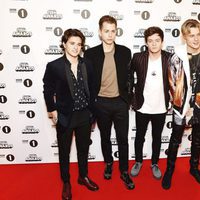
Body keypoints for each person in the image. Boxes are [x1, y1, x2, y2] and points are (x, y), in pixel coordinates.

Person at [43, 29, 99, 200]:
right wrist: (52, 110)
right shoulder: (54, 66)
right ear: (64, 44)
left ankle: (83, 176)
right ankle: (66, 182)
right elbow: (47, 90)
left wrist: (92, 111)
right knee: (64, 151)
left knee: (83, 149)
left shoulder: (87, 64)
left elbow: (93, 87)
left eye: (79, 44)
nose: (75, 47)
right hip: (65, 115)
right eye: (72, 43)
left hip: (85, 114)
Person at [84, 15, 134, 190]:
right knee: (105, 138)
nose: (110, 34)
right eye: (106, 31)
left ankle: (124, 171)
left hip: (120, 103)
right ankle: (108, 163)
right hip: (101, 103)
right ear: (100, 32)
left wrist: (128, 98)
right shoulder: (90, 54)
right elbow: (87, 81)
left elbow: (130, 78)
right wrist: (93, 101)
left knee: (123, 139)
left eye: (113, 31)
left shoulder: (125, 51)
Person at [129, 26, 176, 180]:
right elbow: (129, 77)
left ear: (162, 41)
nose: (154, 44)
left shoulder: (170, 58)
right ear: (146, 43)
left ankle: (154, 162)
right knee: (140, 136)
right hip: (142, 106)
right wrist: (131, 96)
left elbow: (177, 81)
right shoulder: (138, 57)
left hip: (161, 106)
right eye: (150, 41)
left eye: (157, 40)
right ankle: (138, 161)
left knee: (157, 136)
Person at [162, 19, 200, 189]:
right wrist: (183, 106)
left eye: (198, 34)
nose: (196, 39)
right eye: (191, 35)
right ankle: (169, 170)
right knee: (175, 139)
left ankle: (193, 167)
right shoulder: (176, 57)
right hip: (181, 105)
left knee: (198, 139)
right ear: (184, 37)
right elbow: (171, 83)